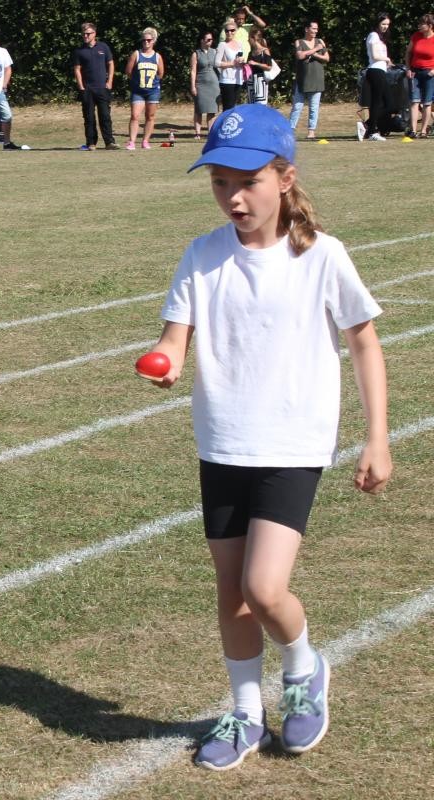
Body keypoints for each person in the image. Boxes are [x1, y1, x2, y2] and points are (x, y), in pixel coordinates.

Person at [144, 104, 391, 771]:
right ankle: (247, 712)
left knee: (264, 587)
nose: (234, 196)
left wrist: (377, 439)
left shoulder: (322, 256)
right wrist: (164, 359)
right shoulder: (202, 255)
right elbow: (175, 335)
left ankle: (305, 665)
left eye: (247, 180)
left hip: (292, 445)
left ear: (285, 177)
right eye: (220, 182)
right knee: (232, 594)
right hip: (222, 443)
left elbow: (364, 344)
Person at [72, 22, 117, 150]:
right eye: (83, 34)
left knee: (105, 116)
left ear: (94, 34)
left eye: (88, 33)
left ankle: (109, 142)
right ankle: (91, 143)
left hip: (102, 88)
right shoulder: (79, 51)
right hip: (87, 89)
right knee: (89, 117)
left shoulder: (103, 47)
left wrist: (109, 82)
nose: (85, 36)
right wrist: (81, 86)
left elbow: (111, 64)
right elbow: (77, 69)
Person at [125, 28, 165, 150]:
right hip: (138, 91)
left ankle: (145, 141)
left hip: (152, 91)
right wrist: (136, 82)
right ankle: (132, 141)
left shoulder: (157, 57)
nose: (146, 42)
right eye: (144, 40)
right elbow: (128, 71)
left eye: (148, 40)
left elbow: (161, 73)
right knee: (135, 115)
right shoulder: (136, 54)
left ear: (153, 41)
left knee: (150, 116)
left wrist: (153, 83)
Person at [290, 21, 330, 139]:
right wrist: (315, 49)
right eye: (313, 28)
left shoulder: (320, 41)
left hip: (316, 79)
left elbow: (327, 58)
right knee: (297, 106)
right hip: (302, 80)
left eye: (317, 29)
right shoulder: (299, 42)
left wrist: (315, 55)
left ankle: (311, 132)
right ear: (306, 29)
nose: (315, 31)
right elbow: (300, 56)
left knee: (314, 107)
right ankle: (290, 130)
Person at [363, 13, 393, 141]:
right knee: (377, 102)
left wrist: (388, 63)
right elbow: (375, 56)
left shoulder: (381, 38)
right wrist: (386, 59)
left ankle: (368, 125)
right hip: (375, 71)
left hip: (381, 71)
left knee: (390, 104)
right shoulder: (373, 36)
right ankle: (371, 132)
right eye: (383, 24)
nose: (385, 27)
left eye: (387, 24)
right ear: (377, 23)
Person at [405, 14, 434, 138]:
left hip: (429, 73)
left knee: (427, 103)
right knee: (414, 101)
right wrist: (408, 68)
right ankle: (413, 130)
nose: (419, 26)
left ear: (430, 26)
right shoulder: (416, 37)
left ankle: (423, 132)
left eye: (422, 24)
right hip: (415, 72)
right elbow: (408, 53)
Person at [191, 31, 221, 137]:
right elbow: (193, 71)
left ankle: (210, 132)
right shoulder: (196, 53)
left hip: (214, 84)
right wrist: (193, 86)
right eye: (208, 39)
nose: (210, 41)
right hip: (201, 84)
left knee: (212, 110)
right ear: (202, 40)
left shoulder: (215, 52)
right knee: (199, 109)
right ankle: (197, 133)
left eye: (211, 39)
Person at [216, 20, 246, 111]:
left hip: (238, 78)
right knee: (228, 107)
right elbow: (216, 63)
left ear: (236, 31)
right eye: (227, 31)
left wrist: (242, 61)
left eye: (232, 30)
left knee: (233, 107)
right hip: (227, 80)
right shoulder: (222, 45)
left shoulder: (239, 44)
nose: (229, 32)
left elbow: (240, 58)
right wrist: (232, 63)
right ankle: (225, 125)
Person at [246, 28, 274, 105]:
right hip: (251, 80)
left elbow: (269, 67)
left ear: (254, 38)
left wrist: (256, 63)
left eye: (249, 39)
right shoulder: (251, 53)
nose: (248, 41)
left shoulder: (264, 50)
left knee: (260, 104)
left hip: (261, 80)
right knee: (251, 104)